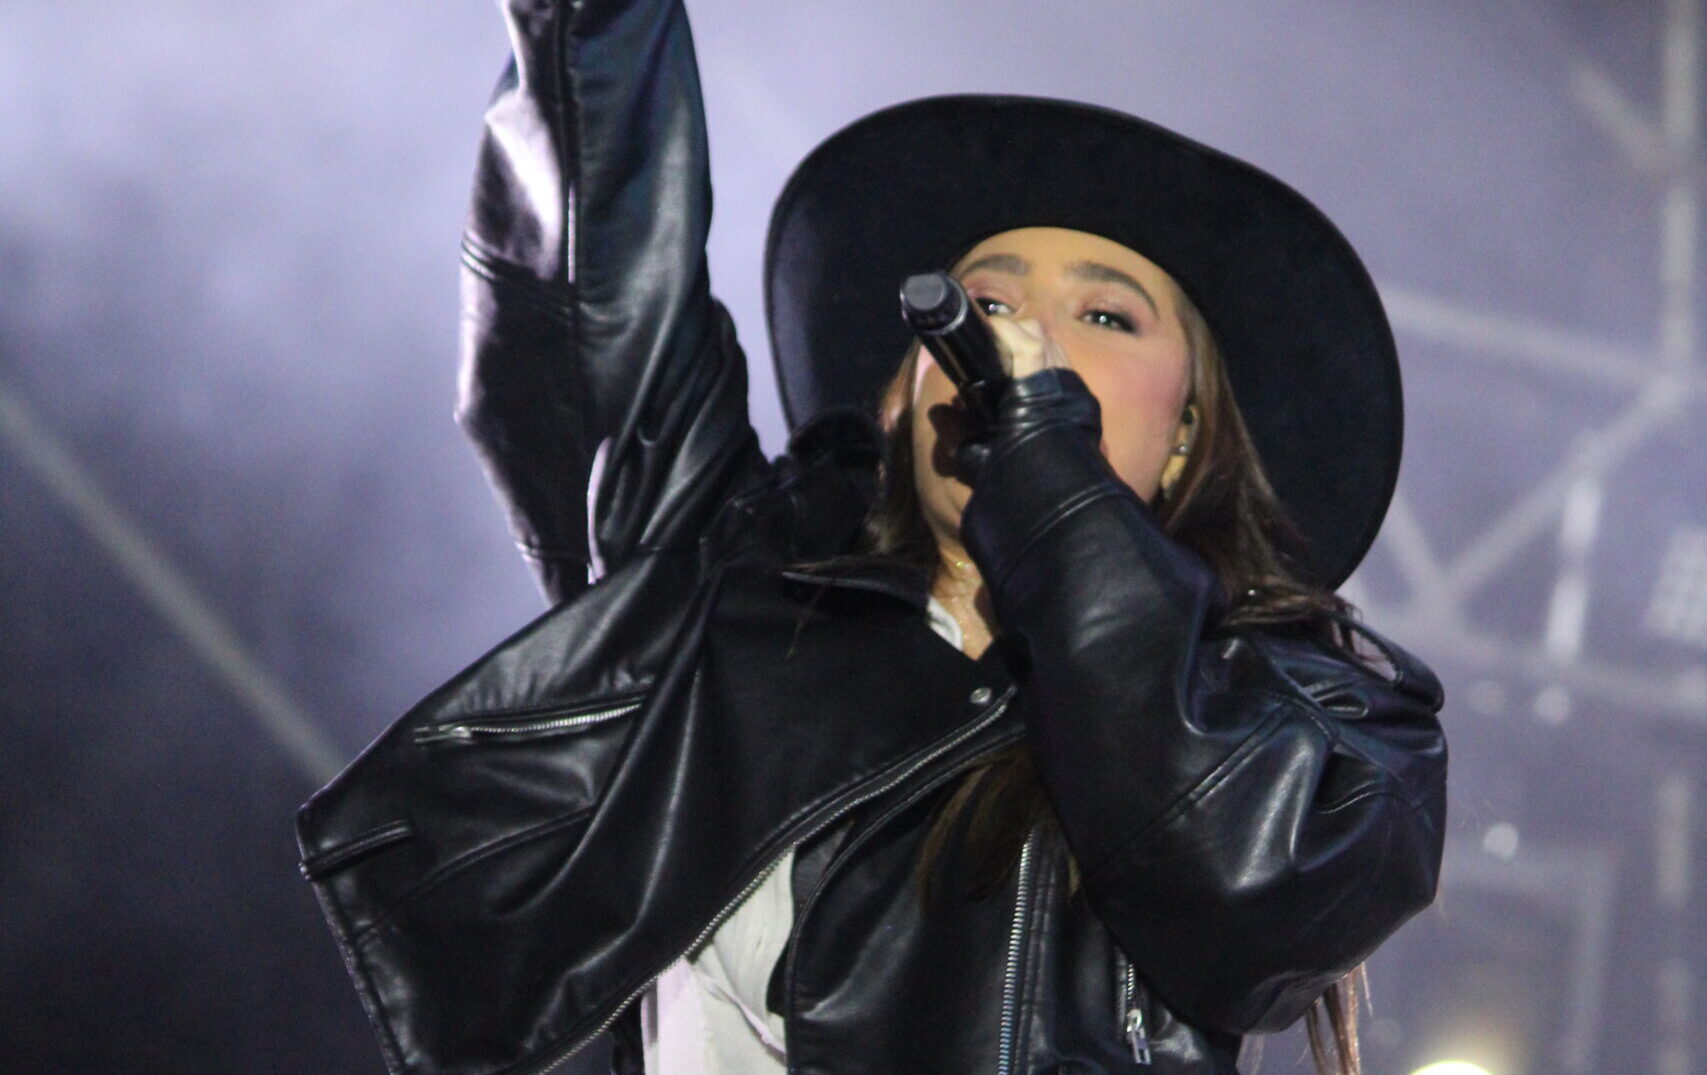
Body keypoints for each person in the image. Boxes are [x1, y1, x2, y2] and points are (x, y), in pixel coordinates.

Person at [295, 0, 1448, 1073]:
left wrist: (1044, 467)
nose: (1026, 338)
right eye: (987, 304)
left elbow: (1257, 881)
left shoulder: (1315, 706)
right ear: (901, 393)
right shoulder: (728, 580)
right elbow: (591, 290)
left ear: (1190, 431)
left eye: (1103, 315)